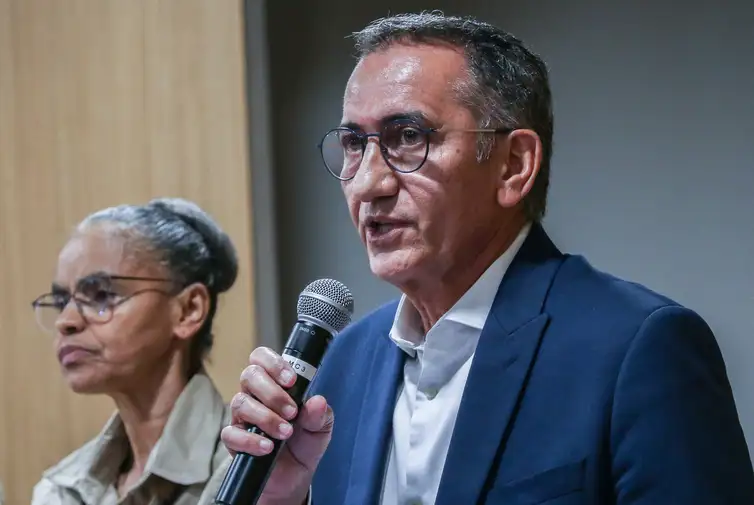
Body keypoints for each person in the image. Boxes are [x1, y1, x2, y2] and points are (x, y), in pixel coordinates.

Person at [208, 12, 754, 505]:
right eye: (354, 143)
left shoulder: (638, 349)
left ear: (514, 165)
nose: (368, 183)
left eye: (407, 137)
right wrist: (284, 498)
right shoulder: (344, 363)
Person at [31, 198, 237, 504]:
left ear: (188, 310)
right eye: (62, 301)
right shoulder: (60, 492)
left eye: (101, 295)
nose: (66, 321)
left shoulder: (252, 465)